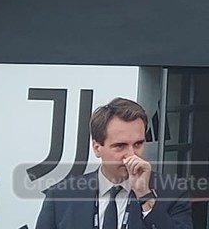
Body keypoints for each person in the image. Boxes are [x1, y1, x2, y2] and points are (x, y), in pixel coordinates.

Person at [34, 97, 193, 229]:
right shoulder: (62, 196)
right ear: (97, 148)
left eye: (138, 144)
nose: (131, 155)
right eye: (120, 146)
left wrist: (145, 196)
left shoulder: (172, 192)